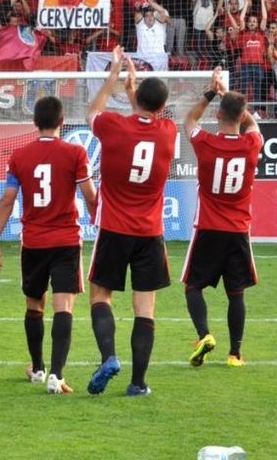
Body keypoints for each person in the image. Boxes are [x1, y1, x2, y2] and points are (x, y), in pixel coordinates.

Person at [0, 96, 98, 395]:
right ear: (62, 122)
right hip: (65, 241)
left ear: (35, 123)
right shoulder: (76, 153)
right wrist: (99, 220)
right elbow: (89, 195)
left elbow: (7, 200)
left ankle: (37, 369)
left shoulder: (20, 156)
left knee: (34, 304)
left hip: (33, 242)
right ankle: (57, 375)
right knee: (64, 306)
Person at [84, 45, 177, 397]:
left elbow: (93, 110)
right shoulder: (168, 132)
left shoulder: (112, 126)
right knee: (145, 308)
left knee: (100, 295)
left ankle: (108, 356)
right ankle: (138, 383)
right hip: (149, 232)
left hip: (113, 228)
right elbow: (148, 114)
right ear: (163, 107)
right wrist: (134, 90)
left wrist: (114, 79)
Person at [181, 70, 262, 370]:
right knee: (236, 293)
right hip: (238, 230)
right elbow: (252, 123)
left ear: (217, 115)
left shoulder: (205, 143)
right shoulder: (252, 144)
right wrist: (230, 96)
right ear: (240, 116)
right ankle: (235, 354)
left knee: (192, 286)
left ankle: (204, 335)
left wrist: (212, 93)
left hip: (208, 229)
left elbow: (189, 120)